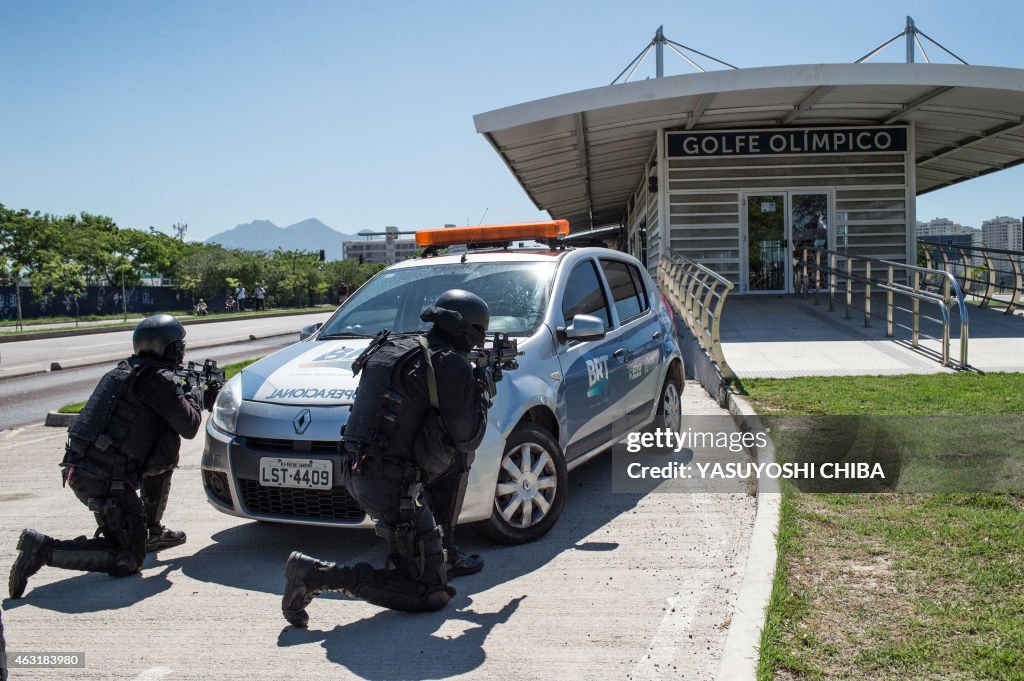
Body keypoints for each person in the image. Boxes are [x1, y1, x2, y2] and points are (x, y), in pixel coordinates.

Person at [281, 290, 493, 627]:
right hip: (392, 487)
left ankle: (442, 551)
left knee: (453, 467)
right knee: (430, 592)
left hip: (360, 469)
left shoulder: (397, 346)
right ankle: (315, 575)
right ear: (469, 330)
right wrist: (480, 389)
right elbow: (469, 438)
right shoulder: (448, 362)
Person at [8, 315, 206, 599]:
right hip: (105, 483)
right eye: (180, 347)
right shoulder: (157, 380)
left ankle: (151, 530)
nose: (183, 352)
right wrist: (196, 396)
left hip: (88, 470)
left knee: (165, 444)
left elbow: (162, 439)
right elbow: (190, 427)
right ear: (170, 349)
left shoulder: (125, 371)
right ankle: (42, 549)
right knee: (128, 558)